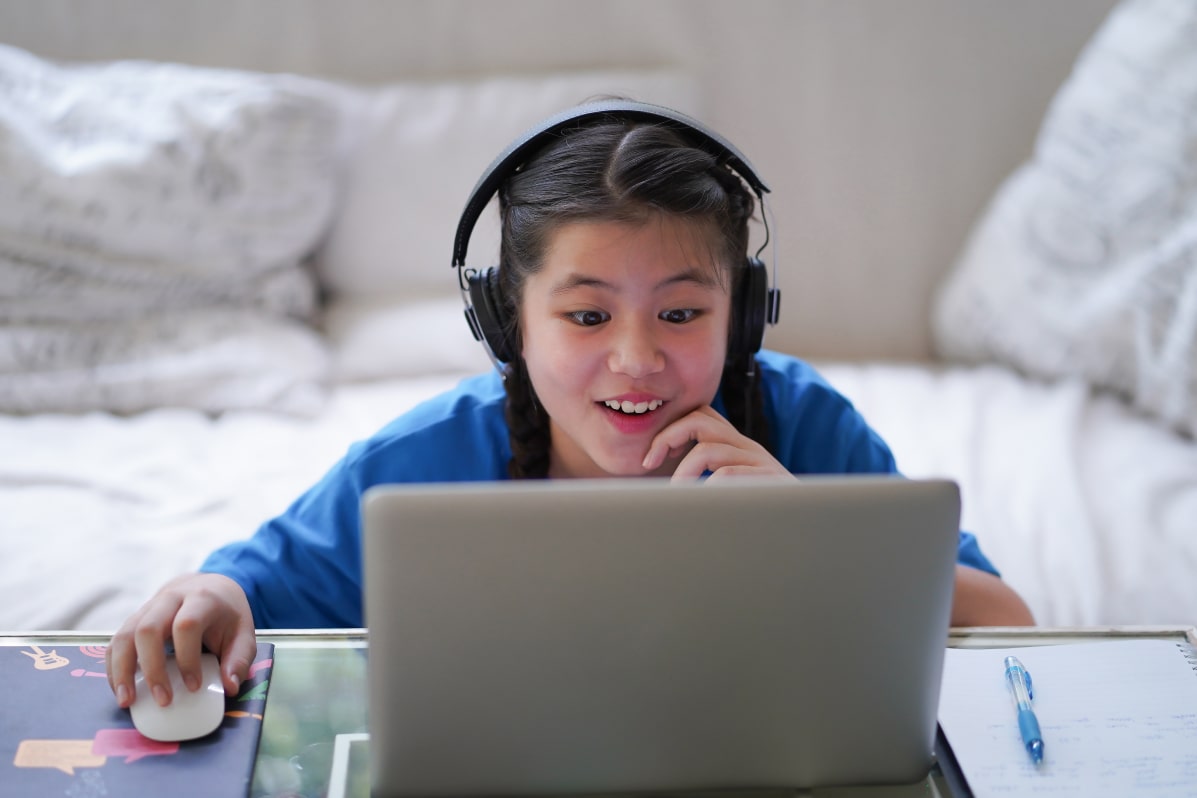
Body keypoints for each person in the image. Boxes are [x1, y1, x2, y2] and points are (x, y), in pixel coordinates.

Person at [106, 101, 1034, 710]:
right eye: (586, 314)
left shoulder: (803, 424)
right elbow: (254, 591)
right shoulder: (433, 455)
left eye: (682, 312)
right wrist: (210, 593)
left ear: (742, 316)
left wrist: (807, 533)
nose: (636, 359)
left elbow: (1010, 628)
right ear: (509, 321)